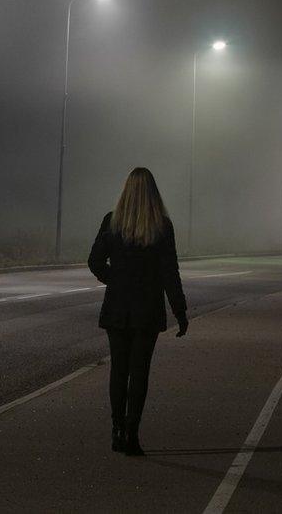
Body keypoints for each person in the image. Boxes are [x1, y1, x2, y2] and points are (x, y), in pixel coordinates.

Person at [88, 167, 189, 456]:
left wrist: (114, 279)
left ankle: (116, 429)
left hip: (118, 306)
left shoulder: (112, 222)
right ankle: (132, 433)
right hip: (147, 307)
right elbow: (171, 273)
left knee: (118, 370)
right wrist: (180, 311)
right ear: (153, 194)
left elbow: (94, 260)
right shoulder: (162, 227)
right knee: (139, 372)